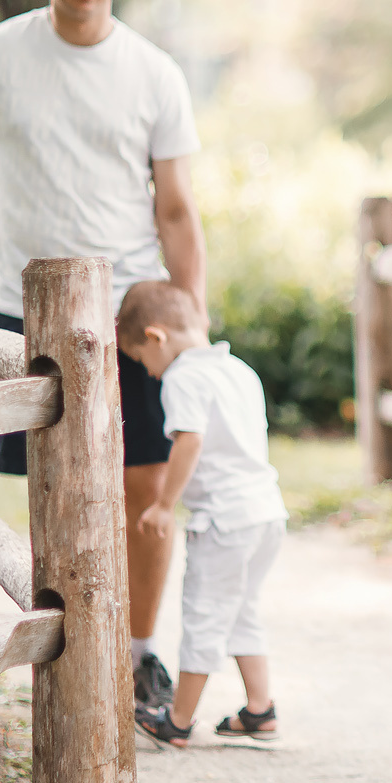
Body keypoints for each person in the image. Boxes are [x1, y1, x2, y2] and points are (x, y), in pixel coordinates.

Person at [0, 0, 205, 715]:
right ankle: (64, 654)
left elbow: (176, 207)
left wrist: (195, 316)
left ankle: (138, 654)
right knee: (51, 490)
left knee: (147, 483)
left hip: (133, 310)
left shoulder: (155, 71)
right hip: (30, 302)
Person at [118, 281, 286, 748]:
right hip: (265, 512)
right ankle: (259, 708)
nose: (148, 373)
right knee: (242, 609)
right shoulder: (238, 370)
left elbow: (188, 439)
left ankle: (177, 720)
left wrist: (164, 505)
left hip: (224, 520)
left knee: (204, 614)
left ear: (157, 338)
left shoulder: (182, 379)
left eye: (141, 360)